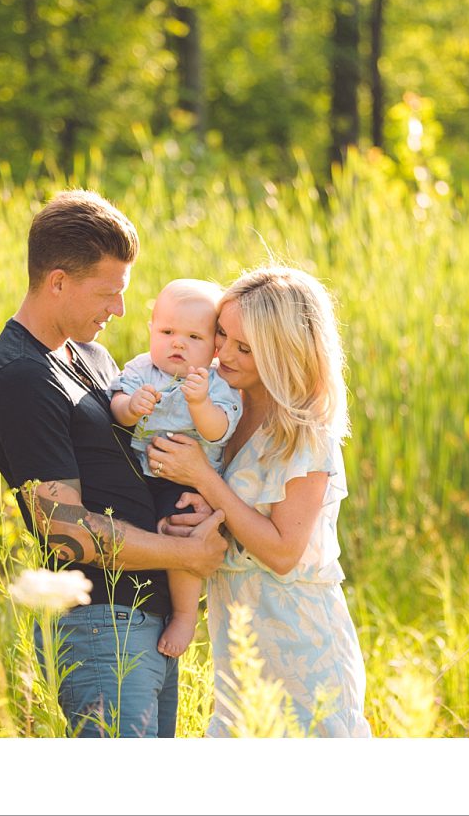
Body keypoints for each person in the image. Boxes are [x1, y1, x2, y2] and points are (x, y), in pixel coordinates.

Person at [0, 189, 228, 738]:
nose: (120, 311)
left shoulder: (91, 355)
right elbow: (64, 530)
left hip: (150, 616)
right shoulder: (21, 377)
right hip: (101, 625)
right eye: (107, 294)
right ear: (58, 281)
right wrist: (187, 552)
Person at [149, 265, 371, 737]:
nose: (223, 354)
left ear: (281, 353)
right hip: (239, 643)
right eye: (222, 335)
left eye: (244, 348)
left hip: (300, 645)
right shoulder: (218, 404)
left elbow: (282, 552)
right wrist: (187, 525)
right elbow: (231, 517)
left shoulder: (306, 433)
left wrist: (204, 480)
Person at [109, 279, 243, 658]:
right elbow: (116, 406)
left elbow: (218, 429)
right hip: (138, 471)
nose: (177, 343)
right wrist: (131, 406)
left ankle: (185, 614)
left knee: (184, 529)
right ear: (151, 329)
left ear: (214, 347)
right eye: (167, 332)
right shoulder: (142, 369)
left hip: (182, 483)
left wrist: (199, 403)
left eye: (193, 337)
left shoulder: (214, 383)